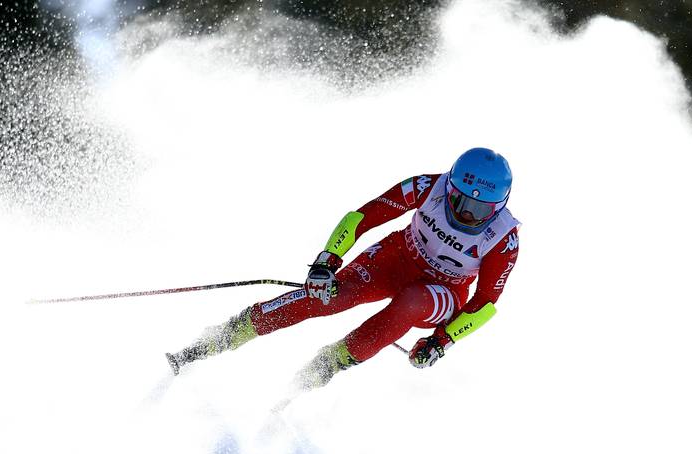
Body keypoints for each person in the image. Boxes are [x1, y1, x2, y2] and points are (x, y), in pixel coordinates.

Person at [166, 147, 521, 390]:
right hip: (399, 257)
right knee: (331, 297)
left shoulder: (503, 238)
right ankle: (222, 337)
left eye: (479, 210)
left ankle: (326, 366)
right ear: (451, 186)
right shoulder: (429, 186)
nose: (465, 214)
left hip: (442, 291)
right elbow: (362, 217)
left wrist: (442, 341)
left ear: (500, 206)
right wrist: (326, 262)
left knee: (412, 302)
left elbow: (485, 303)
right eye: (459, 202)